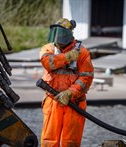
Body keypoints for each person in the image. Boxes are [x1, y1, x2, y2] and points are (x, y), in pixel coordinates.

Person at [39, 18, 94, 147]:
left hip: (74, 103)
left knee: (71, 142)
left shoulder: (82, 53)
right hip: (53, 100)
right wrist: (67, 57)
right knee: (49, 140)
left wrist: (70, 93)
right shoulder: (49, 48)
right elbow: (48, 63)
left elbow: (86, 78)